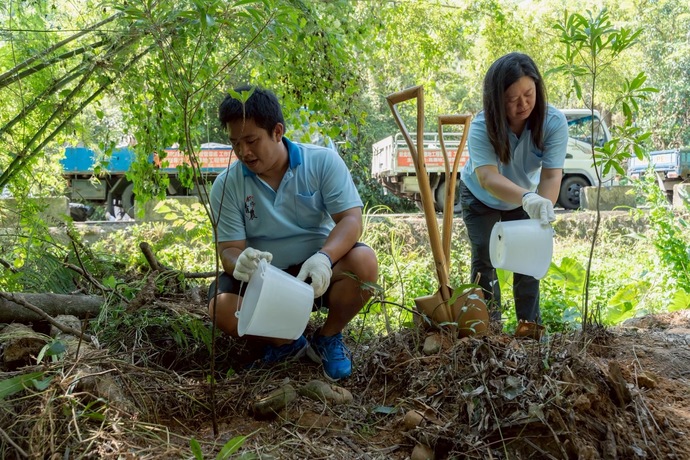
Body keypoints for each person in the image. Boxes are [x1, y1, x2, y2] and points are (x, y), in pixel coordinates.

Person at [208, 85, 378, 380]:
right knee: (220, 308)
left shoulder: (322, 162)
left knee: (364, 263)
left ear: (277, 131)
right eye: (235, 143)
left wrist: (325, 258)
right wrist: (240, 262)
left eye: (251, 140)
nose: (243, 152)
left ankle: (327, 338)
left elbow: (351, 219)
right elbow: (229, 249)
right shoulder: (226, 185)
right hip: (263, 280)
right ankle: (286, 343)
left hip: (316, 275)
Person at [459, 52, 569, 330]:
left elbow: (551, 175)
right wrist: (527, 197)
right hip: (480, 196)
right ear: (497, 100)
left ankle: (529, 331)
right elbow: (487, 178)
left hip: (525, 198)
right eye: (512, 99)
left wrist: (541, 209)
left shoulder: (553, 122)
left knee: (528, 259)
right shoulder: (482, 126)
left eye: (529, 94)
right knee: (484, 258)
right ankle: (488, 331)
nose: (523, 104)